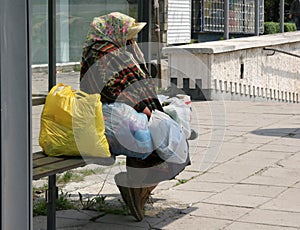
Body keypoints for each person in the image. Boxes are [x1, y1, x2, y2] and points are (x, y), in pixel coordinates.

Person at [80, 12, 190, 221]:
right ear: (115, 31)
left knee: (170, 141)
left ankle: (138, 188)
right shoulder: (104, 53)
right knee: (170, 148)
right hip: (114, 118)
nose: (132, 39)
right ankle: (137, 188)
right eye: (128, 34)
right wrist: (144, 108)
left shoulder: (109, 49)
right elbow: (114, 88)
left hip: (122, 117)